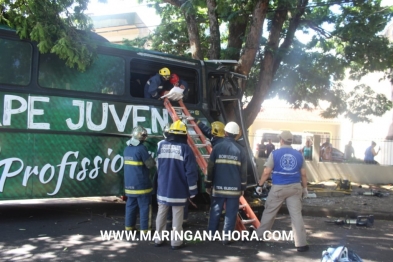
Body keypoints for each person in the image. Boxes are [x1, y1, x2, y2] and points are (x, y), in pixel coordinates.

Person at [255, 130, 309, 252]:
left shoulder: (275, 153)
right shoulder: (299, 154)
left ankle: (260, 236)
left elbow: (266, 172)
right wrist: (305, 189)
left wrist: (260, 185)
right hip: (295, 188)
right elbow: (304, 174)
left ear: (281, 140)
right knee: (296, 215)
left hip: (278, 188)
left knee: (269, 212)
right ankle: (301, 244)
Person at [154, 120, 198, 250]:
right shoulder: (186, 149)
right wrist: (193, 190)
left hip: (162, 187)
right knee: (177, 215)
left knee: (161, 213)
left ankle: (158, 239)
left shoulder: (160, 145)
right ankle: (176, 242)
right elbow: (190, 172)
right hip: (178, 189)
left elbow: (158, 166)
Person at [205, 122, 247, 245]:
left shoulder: (217, 147)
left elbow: (210, 168)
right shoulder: (241, 150)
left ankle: (211, 235)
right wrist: (242, 187)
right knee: (231, 213)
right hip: (234, 189)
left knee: (215, 211)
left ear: (225, 132)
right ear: (236, 134)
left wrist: (208, 184)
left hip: (218, 187)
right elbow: (243, 172)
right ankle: (226, 238)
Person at [123, 126, 156, 233]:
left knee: (130, 206)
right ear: (142, 137)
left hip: (129, 185)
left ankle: (129, 228)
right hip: (142, 185)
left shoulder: (127, 149)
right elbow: (150, 165)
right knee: (145, 207)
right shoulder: (141, 148)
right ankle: (145, 230)